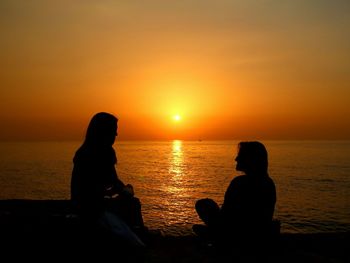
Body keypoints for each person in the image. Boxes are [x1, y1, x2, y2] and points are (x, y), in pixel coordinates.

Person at [71, 112, 146, 245]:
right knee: (133, 203)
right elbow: (113, 183)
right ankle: (139, 236)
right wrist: (127, 190)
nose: (116, 135)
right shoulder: (104, 152)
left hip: (82, 205)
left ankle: (138, 234)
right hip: (93, 209)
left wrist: (114, 191)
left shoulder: (83, 152)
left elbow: (104, 184)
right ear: (104, 131)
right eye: (114, 130)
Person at [193, 141, 279, 249]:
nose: (236, 159)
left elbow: (227, 215)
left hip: (235, 235)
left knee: (202, 204)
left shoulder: (239, 183)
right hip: (260, 236)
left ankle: (216, 237)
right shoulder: (268, 183)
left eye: (240, 156)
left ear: (250, 159)